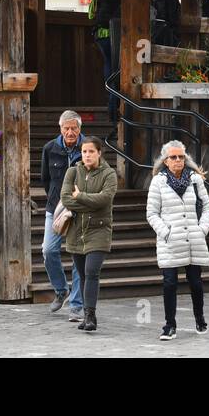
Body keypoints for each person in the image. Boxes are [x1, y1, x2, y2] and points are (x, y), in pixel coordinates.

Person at [146, 140, 209, 340]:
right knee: (169, 283)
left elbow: (207, 208)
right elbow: (151, 213)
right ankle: (169, 325)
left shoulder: (195, 180)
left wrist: (201, 230)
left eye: (181, 156)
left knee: (196, 282)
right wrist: (165, 232)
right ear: (165, 161)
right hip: (170, 240)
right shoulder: (158, 181)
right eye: (173, 157)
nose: (177, 160)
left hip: (193, 238)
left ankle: (200, 319)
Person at [60, 137, 116, 331]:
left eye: (91, 151)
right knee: (83, 274)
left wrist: (80, 196)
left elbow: (104, 199)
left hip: (99, 230)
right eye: (84, 152)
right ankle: (85, 315)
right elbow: (66, 199)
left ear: (99, 153)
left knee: (92, 272)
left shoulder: (109, 174)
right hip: (76, 230)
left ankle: (91, 315)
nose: (87, 155)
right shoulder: (72, 172)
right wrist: (88, 203)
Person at [40, 111, 84, 316]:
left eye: (73, 128)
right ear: (60, 129)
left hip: (81, 208)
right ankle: (60, 290)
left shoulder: (88, 148)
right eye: (66, 128)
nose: (70, 132)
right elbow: (45, 179)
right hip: (55, 208)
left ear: (79, 128)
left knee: (78, 255)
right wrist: (57, 200)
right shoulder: (50, 148)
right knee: (49, 251)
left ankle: (76, 303)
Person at [89, 0, 122, 122]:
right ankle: (118, 108)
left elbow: (91, 13)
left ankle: (111, 101)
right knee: (121, 71)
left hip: (102, 35)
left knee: (109, 66)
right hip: (121, 36)